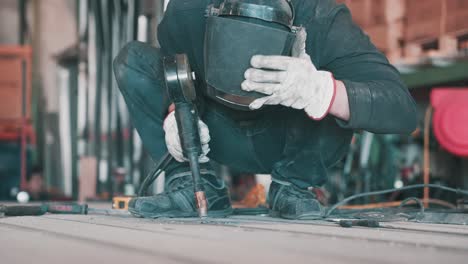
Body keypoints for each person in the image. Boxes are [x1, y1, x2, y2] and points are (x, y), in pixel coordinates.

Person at [113, 0, 417, 219]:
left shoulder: (323, 19)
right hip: (214, 138)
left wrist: (322, 91)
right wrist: (175, 113)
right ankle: (194, 185)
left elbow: (402, 110)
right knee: (133, 62)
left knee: (336, 89)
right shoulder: (188, 12)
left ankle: (293, 187)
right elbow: (176, 77)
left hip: (289, 141)